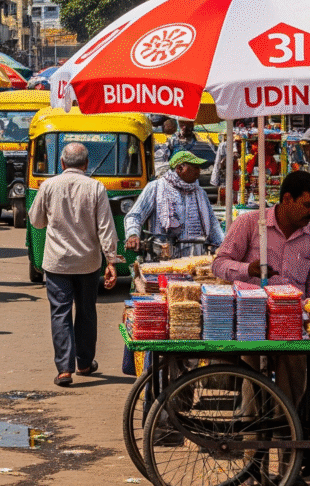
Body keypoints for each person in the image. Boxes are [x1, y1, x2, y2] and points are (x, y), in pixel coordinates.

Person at [213, 169, 310, 486]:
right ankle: (255, 467)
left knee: (293, 396)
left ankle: (290, 468)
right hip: (252, 323)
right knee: (254, 396)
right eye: (307, 205)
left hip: (292, 328)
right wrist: (246, 269)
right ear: (287, 199)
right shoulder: (251, 224)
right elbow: (219, 263)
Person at [27, 142, 118, 388]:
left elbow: (35, 221)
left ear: (62, 163)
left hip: (57, 263)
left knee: (60, 313)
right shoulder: (96, 187)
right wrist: (111, 260)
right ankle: (85, 363)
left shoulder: (48, 186)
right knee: (86, 312)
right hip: (88, 263)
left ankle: (64, 370)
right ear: (86, 165)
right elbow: (106, 228)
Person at [124, 150, 224, 257]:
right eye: (195, 167)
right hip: (163, 257)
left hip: (194, 257)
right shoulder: (156, 187)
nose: (199, 172)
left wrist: (223, 245)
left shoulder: (200, 193)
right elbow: (134, 216)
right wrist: (133, 234)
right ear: (179, 168)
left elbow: (213, 224)